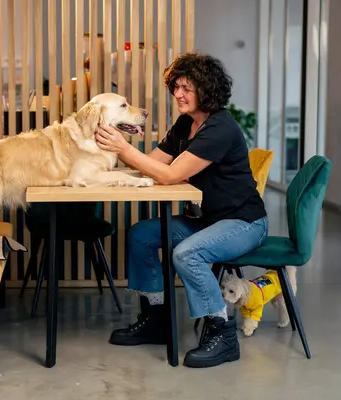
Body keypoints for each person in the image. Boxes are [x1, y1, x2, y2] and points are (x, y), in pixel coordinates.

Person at [94, 52, 268, 368]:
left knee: (187, 253)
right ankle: (157, 319)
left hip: (243, 222)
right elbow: (154, 164)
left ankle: (222, 333)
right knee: (141, 235)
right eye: (175, 87)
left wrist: (123, 148)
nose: (178, 94)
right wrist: (116, 153)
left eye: (186, 87)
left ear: (206, 88)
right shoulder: (187, 123)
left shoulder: (219, 128)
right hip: (207, 220)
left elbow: (171, 175)